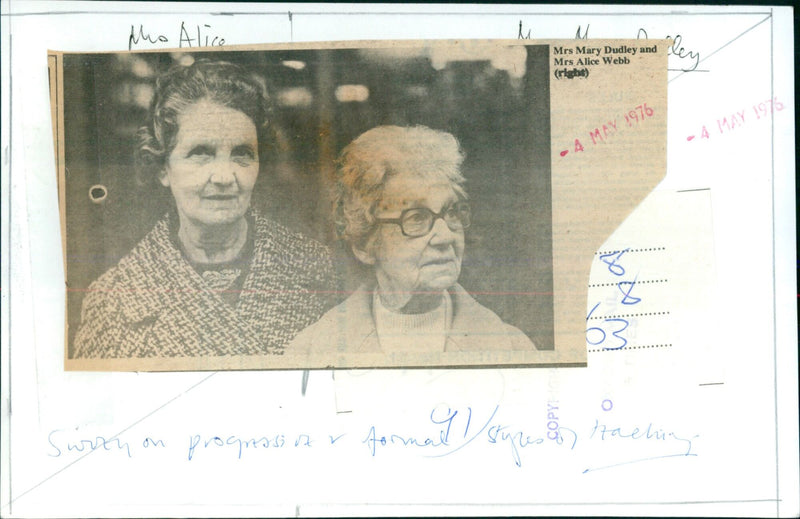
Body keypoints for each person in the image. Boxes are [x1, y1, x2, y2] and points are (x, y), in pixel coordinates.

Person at [73, 60, 339, 358]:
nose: (225, 177)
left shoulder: (317, 270)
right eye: (201, 153)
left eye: (242, 154)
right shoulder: (114, 303)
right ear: (162, 167)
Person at [288, 125, 535, 356]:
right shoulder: (311, 351)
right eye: (416, 217)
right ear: (364, 244)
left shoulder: (514, 348)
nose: (446, 236)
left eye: (451, 213)